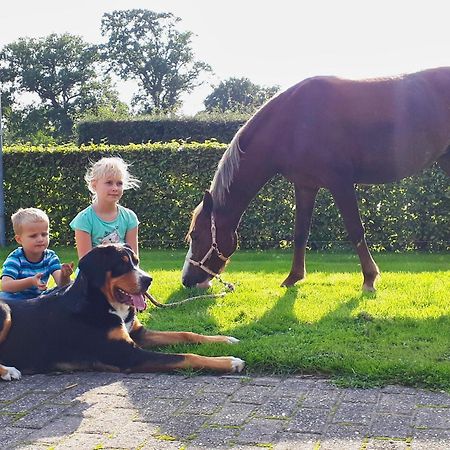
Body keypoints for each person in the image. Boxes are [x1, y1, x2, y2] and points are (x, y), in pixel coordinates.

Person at [70, 156, 140, 260]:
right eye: (109, 183)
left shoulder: (129, 218)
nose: (115, 188)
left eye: (119, 183)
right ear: (94, 185)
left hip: (121, 273)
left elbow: (133, 259)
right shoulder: (84, 219)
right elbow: (86, 262)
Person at [0, 208, 74, 300]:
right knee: (3, 297)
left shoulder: (50, 257)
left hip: (41, 298)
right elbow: (6, 286)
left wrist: (65, 276)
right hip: (17, 299)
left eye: (44, 234)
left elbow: (61, 284)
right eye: (33, 236)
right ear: (19, 239)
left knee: (64, 292)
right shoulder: (16, 258)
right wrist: (31, 281)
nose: (40, 239)